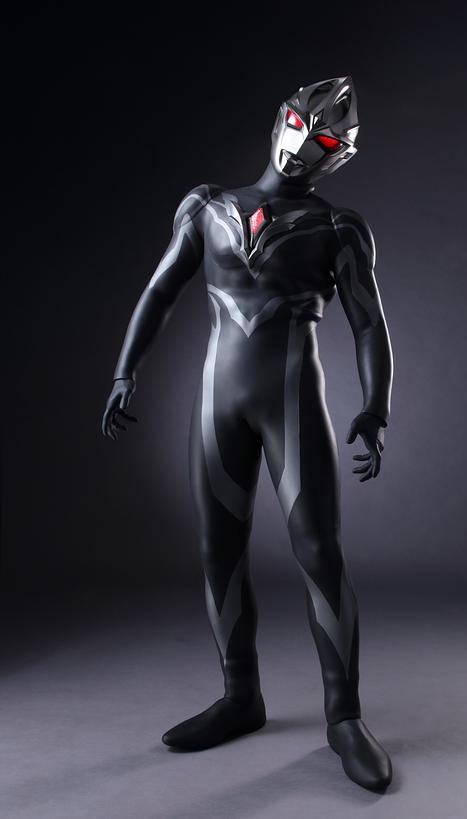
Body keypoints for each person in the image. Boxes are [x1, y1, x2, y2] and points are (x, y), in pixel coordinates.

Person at [102, 76, 394, 791]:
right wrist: (124, 370)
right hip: (219, 404)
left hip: (289, 404)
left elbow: (368, 323)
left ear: (341, 156)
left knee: (319, 552)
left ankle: (344, 717)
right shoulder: (207, 207)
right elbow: (161, 288)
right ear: (280, 118)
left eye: (327, 140)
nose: (305, 145)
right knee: (219, 551)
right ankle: (241, 697)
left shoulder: (337, 227)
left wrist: (376, 406)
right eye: (300, 124)